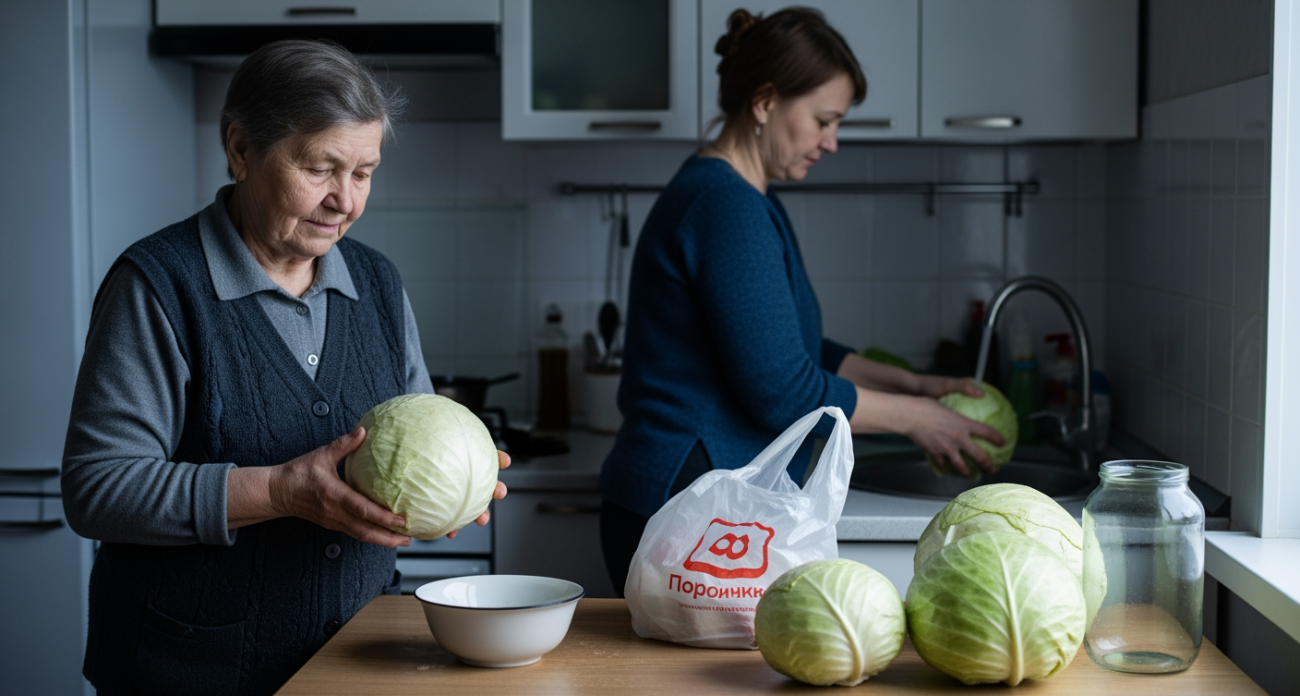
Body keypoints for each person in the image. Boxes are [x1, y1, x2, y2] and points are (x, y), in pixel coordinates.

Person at [61, 39, 507, 696]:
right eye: (321, 168)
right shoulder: (160, 286)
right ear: (241, 149)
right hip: (189, 671)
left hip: (358, 662)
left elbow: (413, 426)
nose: (345, 202)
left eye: (364, 172)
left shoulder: (377, 283)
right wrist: (279, 492)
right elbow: (99, 489)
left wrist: (455, 483)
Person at [599, 8, 1003, 593]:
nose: (832, 142)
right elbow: (782, 390)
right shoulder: (726, 207)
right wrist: (921, 421)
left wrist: (917, 386)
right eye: (823, 120)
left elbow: (799, 349)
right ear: (765, 103)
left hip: (701, 505)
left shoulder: (741, 197)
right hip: (686, 504)